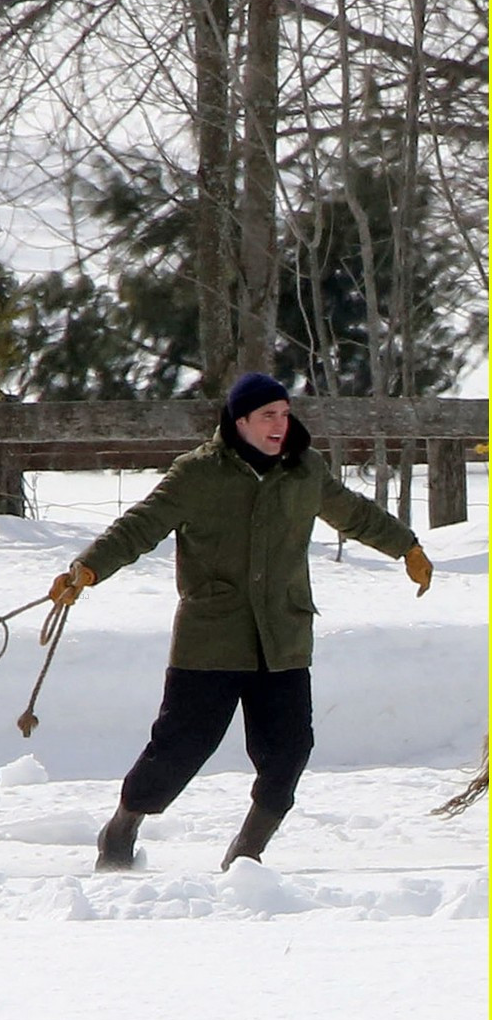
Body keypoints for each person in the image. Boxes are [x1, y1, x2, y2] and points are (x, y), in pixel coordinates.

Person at [49, 372, 433, 872]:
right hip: (210, 640)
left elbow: (353, 513)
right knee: (180, 749)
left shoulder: (305, 471)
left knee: (289, 752)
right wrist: (89, 568)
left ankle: (247, 855)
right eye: (267, 415)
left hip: (283, 639)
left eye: (284, 413)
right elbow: (139, 526)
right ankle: (121, 828)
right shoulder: (198, 474)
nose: (280, 424)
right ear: (240, 421)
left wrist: (405, 545)